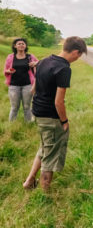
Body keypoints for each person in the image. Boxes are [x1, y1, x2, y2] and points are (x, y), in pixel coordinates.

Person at [22, 36, 87, 191]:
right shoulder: (64, 68)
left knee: (44, 148)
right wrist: (64, 121)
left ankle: (29, 181)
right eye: (79, 55)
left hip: (38, 112)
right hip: (51, 117)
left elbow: (34, 89)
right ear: (76, 52)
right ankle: (46, 195)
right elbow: (59, 102)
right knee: (50, 158)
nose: (77, 59)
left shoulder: (44, 61)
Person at [3, 38, 39, 122]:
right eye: (19, 44)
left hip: (28, 85)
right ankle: (12, 125)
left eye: (23, 43)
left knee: (27, 106)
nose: (21, 45)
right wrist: (9, 71)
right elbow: (5, 70)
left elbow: (40, 63)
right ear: (15, 46)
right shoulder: (10, 57)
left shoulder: (30, 57)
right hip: (13, 85)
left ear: (25, 46)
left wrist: (35, 63)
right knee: (14, 107)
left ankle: (28, 123)